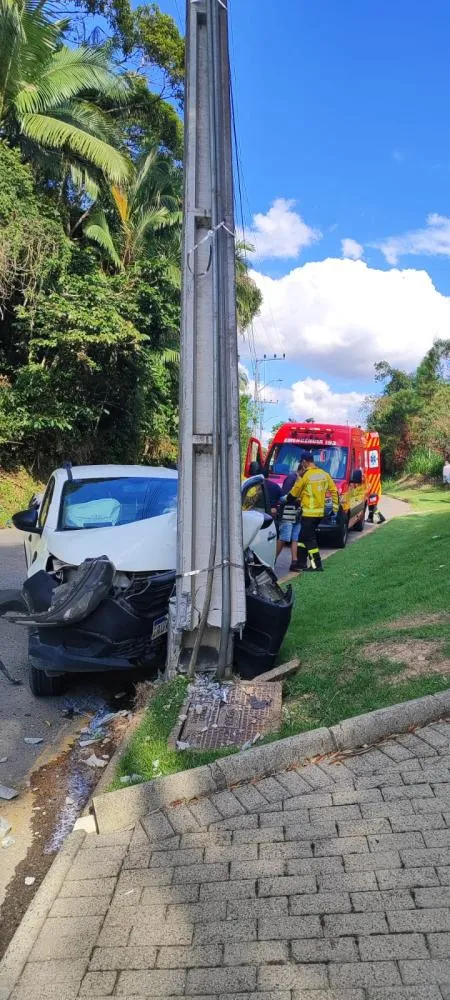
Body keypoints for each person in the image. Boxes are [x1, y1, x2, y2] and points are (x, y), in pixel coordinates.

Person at [286, 451, 339, 572]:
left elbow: (295, 491)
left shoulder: (306, 476)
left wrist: (288, 499)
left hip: (309, 514)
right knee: (302, 537)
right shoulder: (324, 474)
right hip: (319, 513)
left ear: (305, 462)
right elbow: (335, 491)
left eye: (302, 462)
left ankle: (317, 565)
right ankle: (301, 563)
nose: (302, 464)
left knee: (309, 539)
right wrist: (334, 509)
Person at [276, 463, 303, 571]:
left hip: (297, 513)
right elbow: (283, 497)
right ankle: (272, 560)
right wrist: (297, 499)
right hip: (287, 513)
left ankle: (294, 562)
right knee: (284, 538)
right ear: (303, 468)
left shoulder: (301, 479)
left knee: (295, 538)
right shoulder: (292, 478)